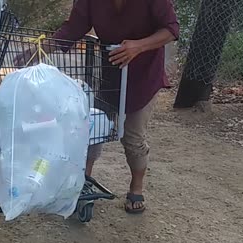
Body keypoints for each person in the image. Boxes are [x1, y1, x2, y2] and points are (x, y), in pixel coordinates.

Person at [43, 0, 179, 213]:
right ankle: (82, 182)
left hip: (144, 74)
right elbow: (75, 26)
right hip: (110, 72)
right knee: (92, 127)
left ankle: (136, 187)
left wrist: (138, 46)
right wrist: (40, 49)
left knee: (132, 137)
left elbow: (171, 29)